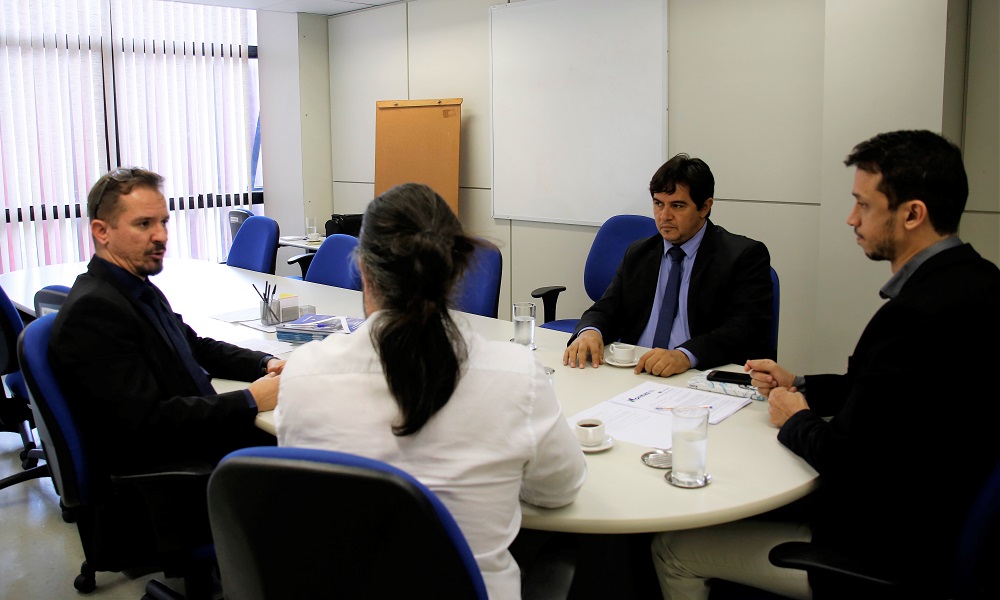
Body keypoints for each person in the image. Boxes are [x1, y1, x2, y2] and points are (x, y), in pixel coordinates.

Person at [651, 130, 1000, 599]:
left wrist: (797, 419)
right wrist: (800, 383)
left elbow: (850, 463)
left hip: (882, 548)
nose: (851, 218)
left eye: (864, 204)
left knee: (672, 547)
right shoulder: (980, 283)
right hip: (937, 510)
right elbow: (881, 390)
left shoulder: (914, 318)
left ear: (913, 213)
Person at [275, 183, 587, 600]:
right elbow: (559, 490)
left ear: (363, 270)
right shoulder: (517, 377)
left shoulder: (301, 377)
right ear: (456, 271)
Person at [50, 167, 283, 476]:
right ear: (102, 231)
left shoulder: (135, 286)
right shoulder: (94, 311)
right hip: (170, 473)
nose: (160, 235)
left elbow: (195, 347)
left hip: (196, 438)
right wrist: (250, 400)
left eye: (163, 222)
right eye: (144, 224)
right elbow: (147, 423)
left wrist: (263, 363)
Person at [563, 153, 774, 378]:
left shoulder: (742, 256)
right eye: (658, 204)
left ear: (705, 207)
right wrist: (590, 331)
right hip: (637, 371)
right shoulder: (639, 253)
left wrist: (685, 355)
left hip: (698, 375)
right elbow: (606, 308)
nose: (664, 216)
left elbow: (746, 329)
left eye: (677, 206)